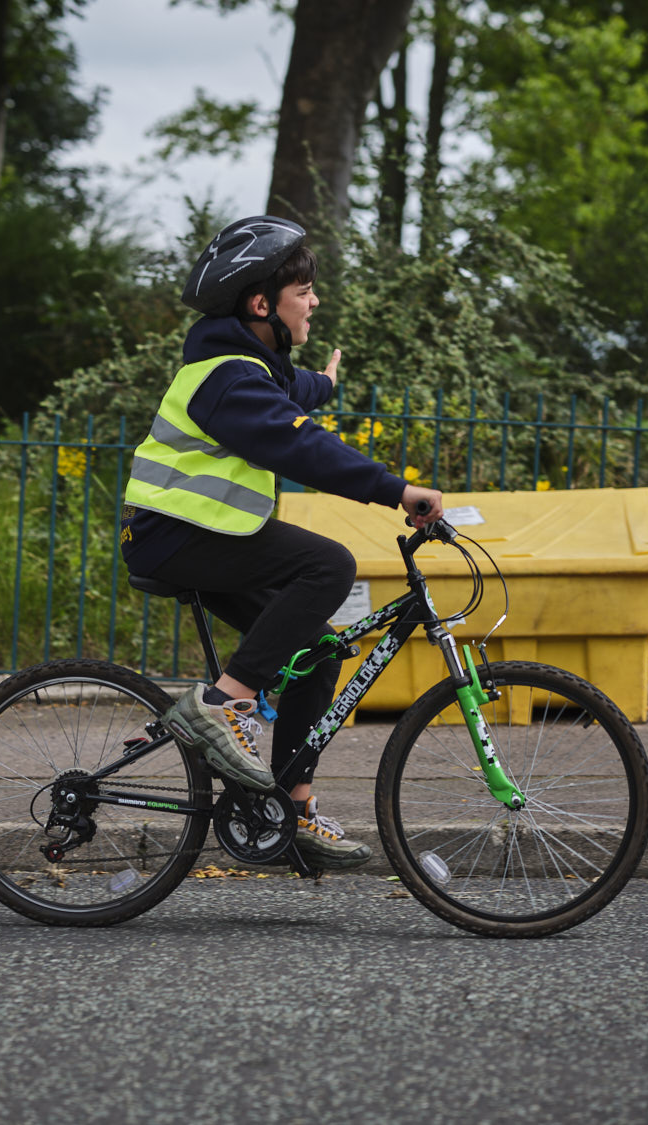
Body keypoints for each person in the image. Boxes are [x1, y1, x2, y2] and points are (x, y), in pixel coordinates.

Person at [120, 216, 443, 869]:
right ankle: (222, 703)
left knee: (320, 650)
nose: (315, 300)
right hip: (170, 536)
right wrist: (396, 491)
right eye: (304, 290)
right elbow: (300, 443)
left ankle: (292, 809)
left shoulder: (244, 366)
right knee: (327, 564)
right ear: (261, 304)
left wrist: (322, 384)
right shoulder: (228, 380)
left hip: (202, 535)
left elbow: (289, 390)